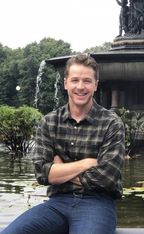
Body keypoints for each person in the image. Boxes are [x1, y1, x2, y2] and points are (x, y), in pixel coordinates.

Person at [2, 54, 125, 234]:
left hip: (97, 204)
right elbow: (42, 173)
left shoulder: (111, 123)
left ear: (96, 85)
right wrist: (86, 163)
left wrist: (60, 170)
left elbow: (105, 179)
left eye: (87, 81)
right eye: (75, 80)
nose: (80, 87)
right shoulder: (50, 122)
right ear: (66, 83)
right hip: (57, 204)